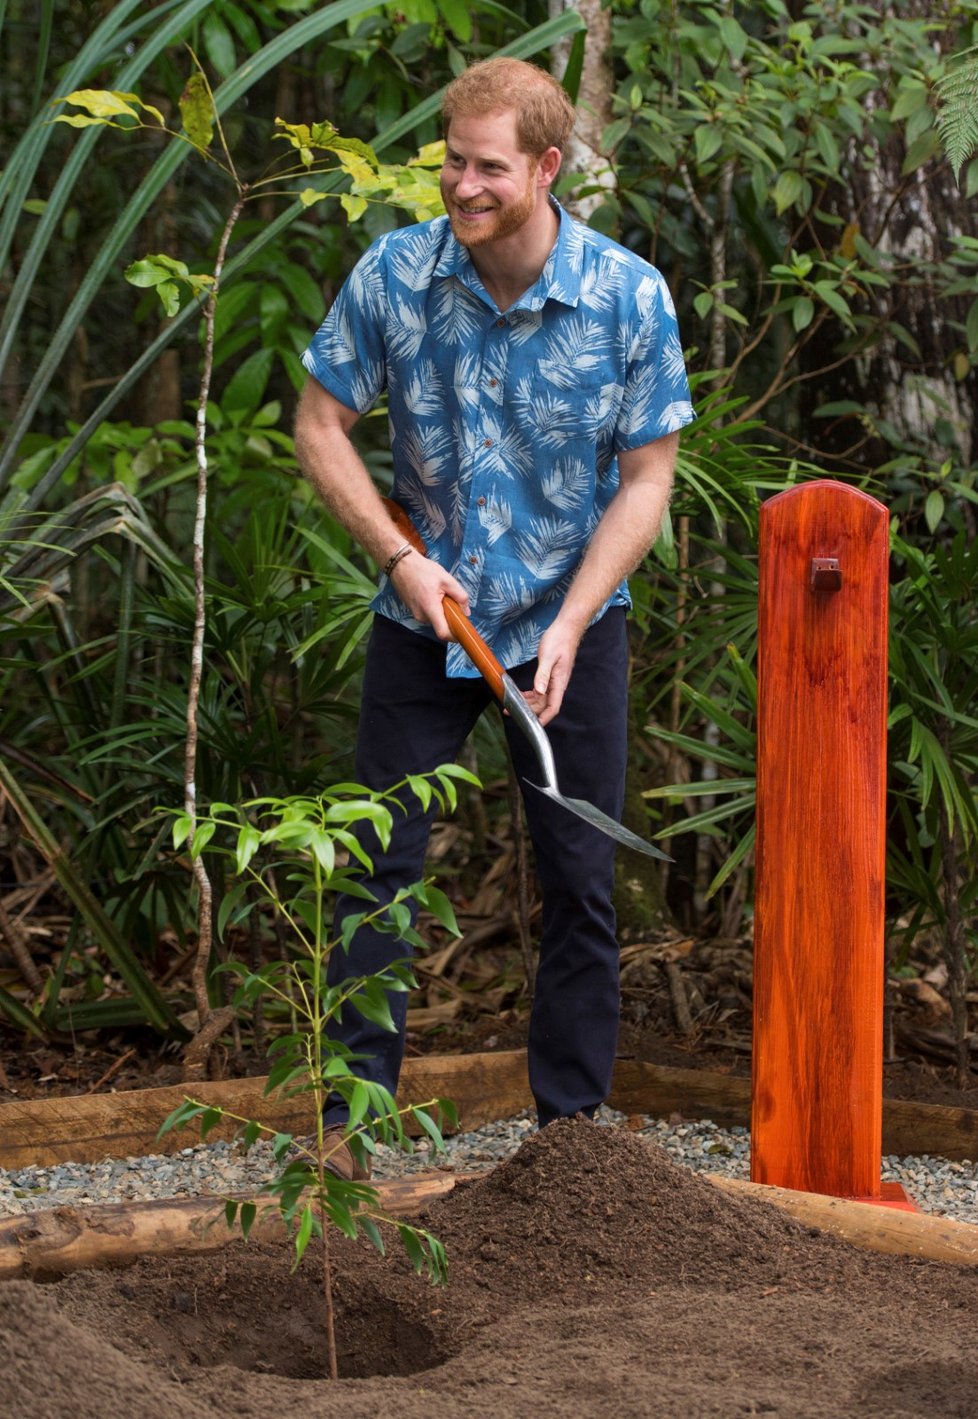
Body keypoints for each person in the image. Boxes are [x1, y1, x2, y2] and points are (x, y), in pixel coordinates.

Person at [294, 57, 694, 1179]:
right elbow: (320, 424)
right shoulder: (397, 274)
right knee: (377, 869)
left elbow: (648, 479)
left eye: (486, 168)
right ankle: (347, 1135)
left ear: (547, 167)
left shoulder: (627, 295)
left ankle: (570, 1153)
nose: (461, 186)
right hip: (427, 619)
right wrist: (401, 560)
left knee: (576, 882)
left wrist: (569, 624)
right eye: (451, 162)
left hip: (571, 630)